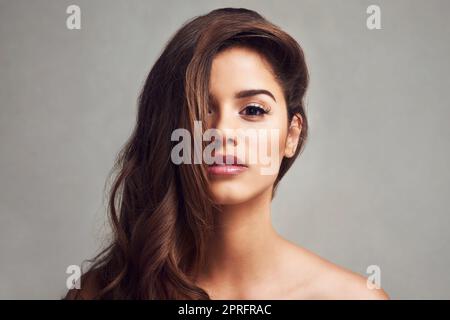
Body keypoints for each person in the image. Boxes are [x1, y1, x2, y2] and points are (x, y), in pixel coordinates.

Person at [64, 7, 389, 300]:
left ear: (292, 134)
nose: (221, 133)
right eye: (200, 110)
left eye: (252, 110)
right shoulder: (98, 293)